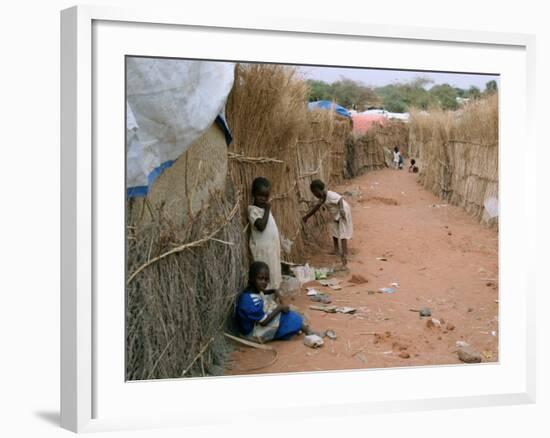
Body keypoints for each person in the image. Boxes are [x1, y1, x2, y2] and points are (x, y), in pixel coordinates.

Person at [236, 261, 316, 343]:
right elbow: (264, 322)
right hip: (251, 334)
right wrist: (279, 308)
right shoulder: (249, 300)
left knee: (285, 316)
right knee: (288, 317)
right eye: (260, 278)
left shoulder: (251, 291)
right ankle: (307, 331)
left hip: (255, 326)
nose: (264, 282)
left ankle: (302, 329)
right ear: (252, 278)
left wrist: (274, 291)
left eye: (266, 279)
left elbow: (262, 292)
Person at [302, 179, 353, 266]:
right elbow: (316, 208)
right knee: (334, 229)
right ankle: (336, 250)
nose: (315, 194)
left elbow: (340, 199)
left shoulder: (330, 194)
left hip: (343, 210)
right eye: (313, 193)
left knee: (343, 231)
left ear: (320, 189)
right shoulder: (322, 198)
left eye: (315, 192)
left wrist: (341, 210)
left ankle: (344, 254)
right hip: (335, 213)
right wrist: (306, 217)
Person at [248, 177, 281, 292]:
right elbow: (261, 226)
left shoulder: (263, 209)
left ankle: (272, 291)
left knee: (273, 270)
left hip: (271, 248)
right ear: (253, 194)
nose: (263, 199)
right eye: (260, 195)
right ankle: (265, 294)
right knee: (263, 273)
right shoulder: (253, 210)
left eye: (266, 196)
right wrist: (267, 210)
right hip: (262, 249)